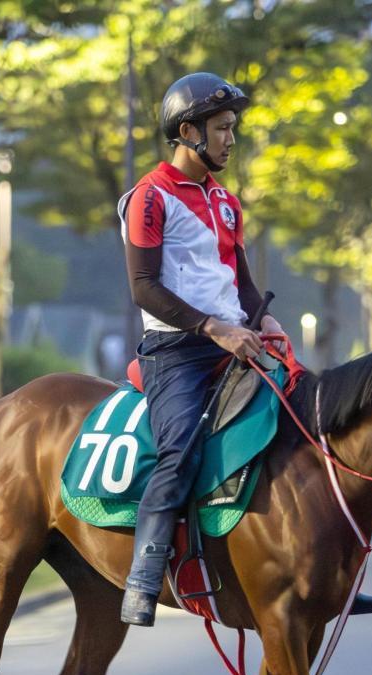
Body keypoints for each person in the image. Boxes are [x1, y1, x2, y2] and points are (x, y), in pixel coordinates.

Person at [117, 71, 284, 627]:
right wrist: (215, 329)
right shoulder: (149, 197)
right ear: (188, 131)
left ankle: (312, 567)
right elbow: (143, 287)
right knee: (182, 450)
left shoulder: (227, 202)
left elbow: (241, 285)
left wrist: (267, 321)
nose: (231, 139)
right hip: (175, 353)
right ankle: (144, 575)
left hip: (234, 343)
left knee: (307, 422)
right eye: (222, 129)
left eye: (232, 128)